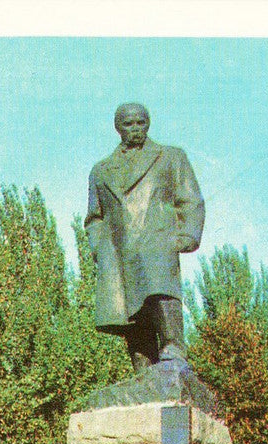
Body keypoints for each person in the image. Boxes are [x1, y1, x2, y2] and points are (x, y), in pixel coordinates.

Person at [87, 103, 205, 370]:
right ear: (118, 128)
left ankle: (174, 348)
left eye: (141, 123)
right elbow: (95, 217)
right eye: (129, 124)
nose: (136, 129)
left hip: (157, 242)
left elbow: (191, 199)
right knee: (129, 312)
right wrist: (99, 249)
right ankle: (143, 367)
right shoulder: (101, 170)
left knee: (160, 295)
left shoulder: (170, 157)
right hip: (118, 251)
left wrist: (187, 234)